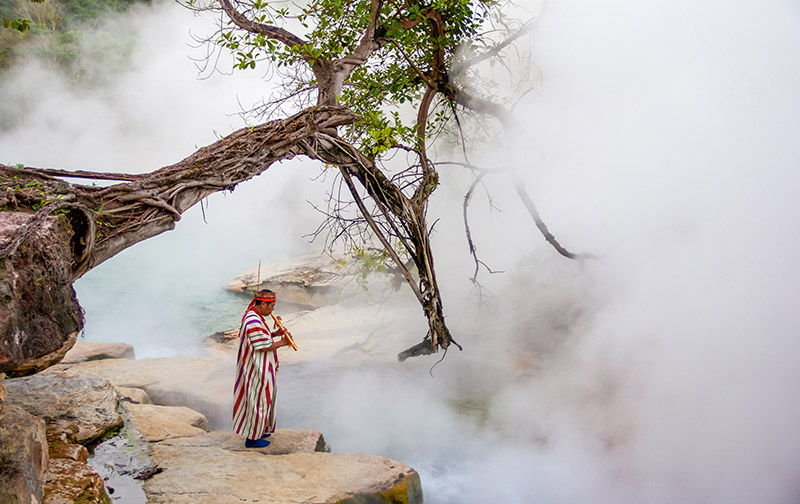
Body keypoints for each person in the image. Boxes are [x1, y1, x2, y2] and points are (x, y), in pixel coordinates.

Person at [232, 289, 293, 448]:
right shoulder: (253, 320)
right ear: (263, 303)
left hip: (263, 366)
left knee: (266, 398)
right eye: (271, 306)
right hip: (256, 368)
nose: (273, 309)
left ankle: (261, 429)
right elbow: (262, 346)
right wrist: (283, 342)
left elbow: (262, 337)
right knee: (258, 400)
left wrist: (275, 334)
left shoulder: (255, 316)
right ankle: (252, 438)